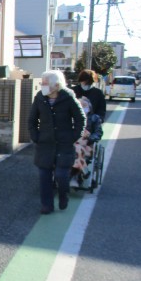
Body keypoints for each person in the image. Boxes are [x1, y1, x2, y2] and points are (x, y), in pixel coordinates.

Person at [28, 70, 85, 214]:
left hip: (64, 144)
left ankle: (63, 195)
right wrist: (36, 137)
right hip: (44, 144)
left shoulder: (68, 98)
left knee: (61, 175)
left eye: (46, 83)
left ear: (57, 85)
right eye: (42, 83)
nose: (43, 85)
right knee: (44, 176)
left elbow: (80, 119)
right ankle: (46, 205)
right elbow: (32, 120)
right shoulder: (39, 98)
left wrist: (73, 137)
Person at [70, 96, 103, 188]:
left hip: (88, 146)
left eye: (84, 105)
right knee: (76, 149)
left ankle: (73, 175)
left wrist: (88, 139)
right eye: (79, 105)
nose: (82, 107)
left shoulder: (94, 118)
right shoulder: (71, 118)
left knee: (77, 150)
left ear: (89, 107)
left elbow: (98, 133)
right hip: (73, 144)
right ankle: (84, 171)